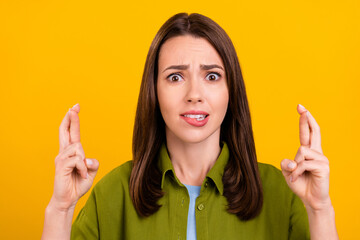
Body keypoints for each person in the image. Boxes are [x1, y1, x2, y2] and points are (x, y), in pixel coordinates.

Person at [41, 13, 338, 240]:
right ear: (153, 91)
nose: (194, 94)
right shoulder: (113, 194)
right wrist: (61, 208)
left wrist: (319, 209)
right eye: (175, 77)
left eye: (211, 76)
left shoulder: (280, 194)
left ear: (231, 90)